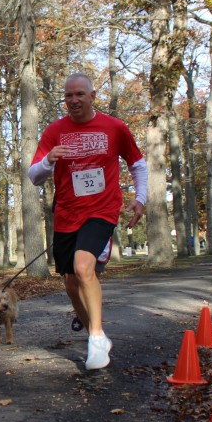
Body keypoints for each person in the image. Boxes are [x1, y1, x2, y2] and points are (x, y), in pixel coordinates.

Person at [28, 73, 147, 371]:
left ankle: (95, 337)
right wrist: (48, 160)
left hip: (102, 210)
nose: (74, 100)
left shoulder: (115, 127)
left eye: (80, 94)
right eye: (68, 95)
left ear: (93, 96)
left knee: (83, 267)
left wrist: (141, 198)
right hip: (67, 213)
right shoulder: (55, 131)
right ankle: (97, 334)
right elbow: (34, 177)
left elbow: (137, 164)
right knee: (71, 282)